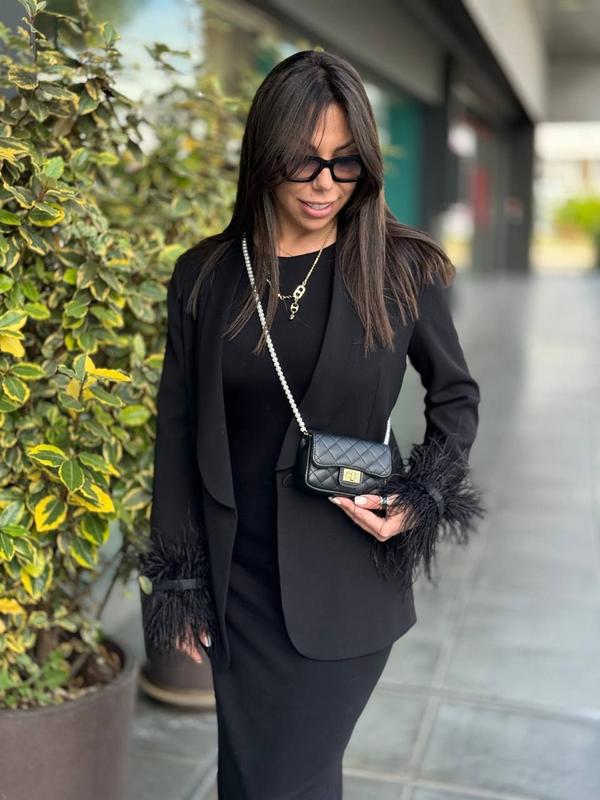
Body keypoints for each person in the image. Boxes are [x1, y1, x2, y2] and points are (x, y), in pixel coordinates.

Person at [139, 49, 485, 799]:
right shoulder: (205, 276)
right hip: (237, 584)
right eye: (304, 161)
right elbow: (179, 428)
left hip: (348, 576)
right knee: (253, 780)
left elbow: (455, 395)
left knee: (281, 781)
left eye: (345, 161)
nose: (326, 183)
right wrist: (179, 578)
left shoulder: (402, 268)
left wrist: (422, 497)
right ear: (265, 154)